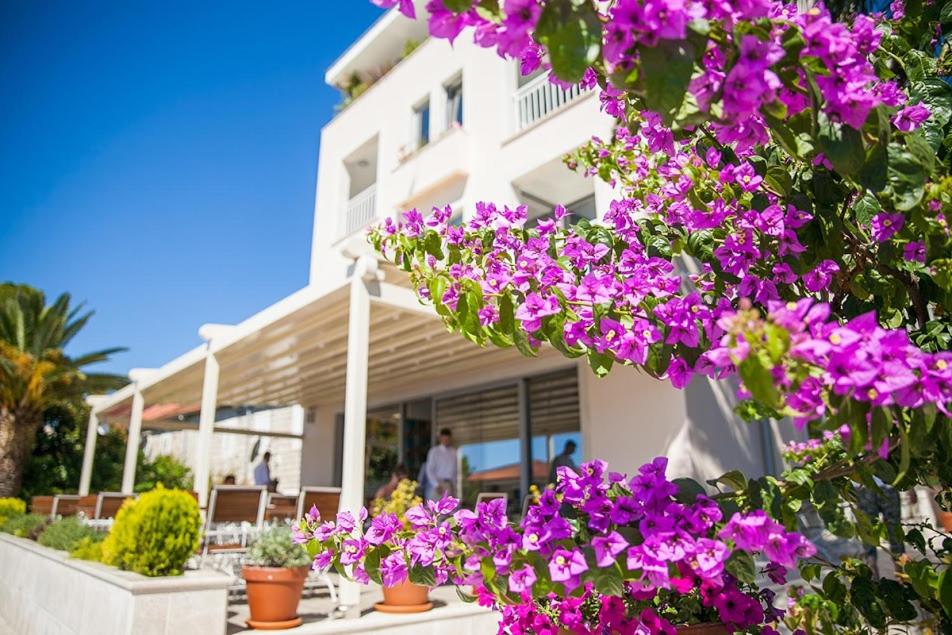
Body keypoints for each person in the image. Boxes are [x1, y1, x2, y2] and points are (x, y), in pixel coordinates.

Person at [425, 428, 458, 500]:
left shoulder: (454, 452)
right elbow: (429, 470)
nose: (446, 441)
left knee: (450, 509)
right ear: (440, 438)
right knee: (436, 509)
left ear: (450, 439)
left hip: (451, 485)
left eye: (448, 439)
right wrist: (436, 485)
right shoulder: (434, 451)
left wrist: (456, 486)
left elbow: (456, 471)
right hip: (439, 484)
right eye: (444, 439)